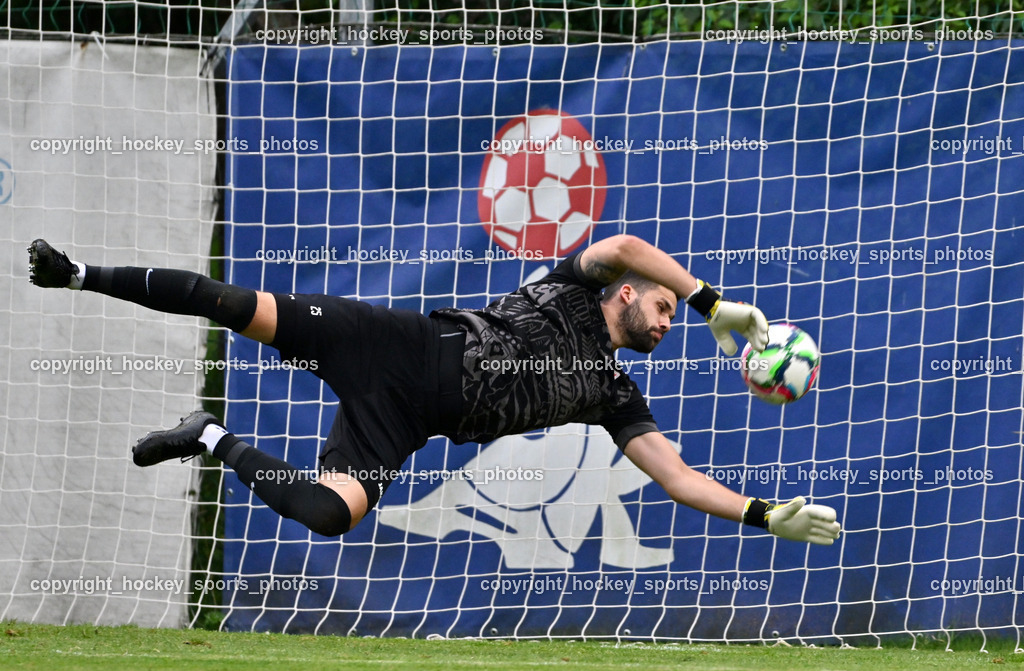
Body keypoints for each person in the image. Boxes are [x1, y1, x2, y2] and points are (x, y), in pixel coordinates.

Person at [28, 235, 841, 545]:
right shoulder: (573, 286)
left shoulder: (612, 392)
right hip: (392, 343)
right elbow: (626, 243)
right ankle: (80, 273)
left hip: (406, 418)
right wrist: (708, 302)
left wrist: (764, 513)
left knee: (328, 515)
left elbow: (677, 476)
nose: (665, 322)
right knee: (234, 305)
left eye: (672, 315)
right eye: (660, 308)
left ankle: (209, 436)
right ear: (626, 293)